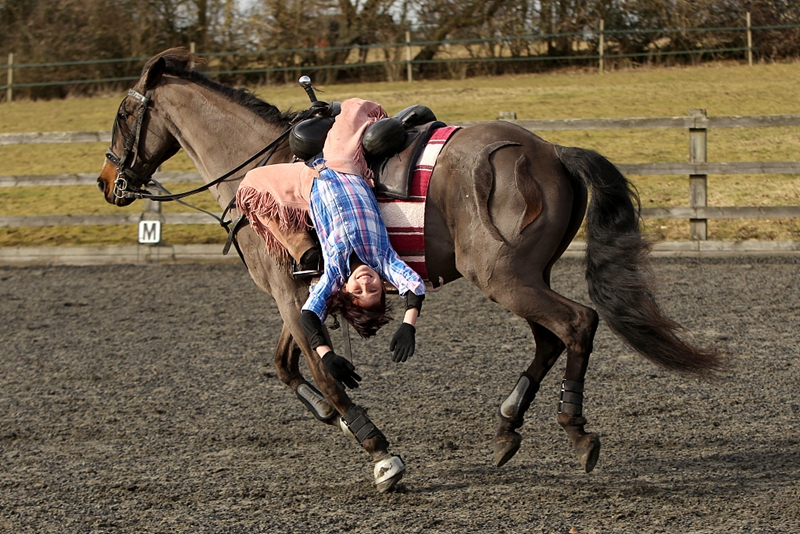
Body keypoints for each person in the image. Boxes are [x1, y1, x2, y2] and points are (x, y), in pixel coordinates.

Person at [236, 99, 426, 389]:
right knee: (352, 109)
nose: (365, 282)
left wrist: (326, 356)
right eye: (373, 288)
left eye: (359, 290)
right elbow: (414, 287)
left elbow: (309, 317)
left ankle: (294, 241)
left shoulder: (334, 275)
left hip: (307, 182)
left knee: (249, 185)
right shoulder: (384, 260)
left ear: (346, 291)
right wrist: (408, 324)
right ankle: (335, 108)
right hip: (345, 165)